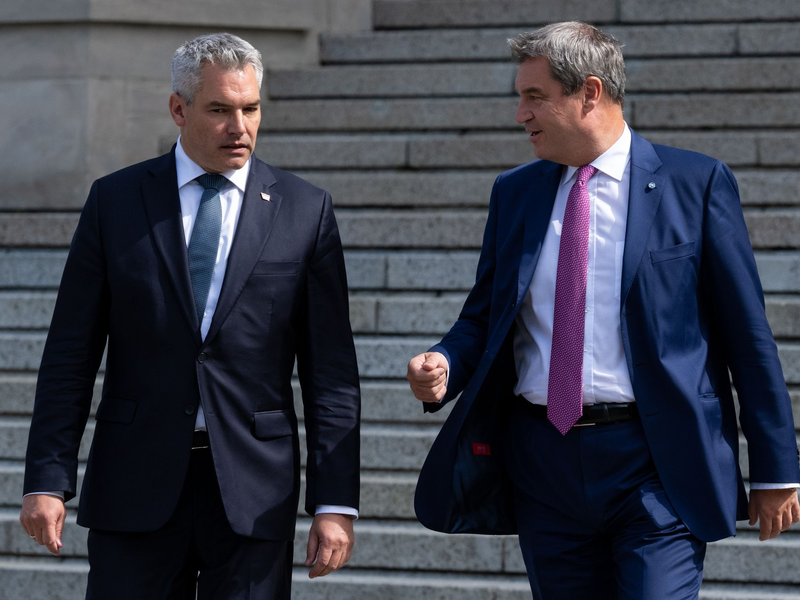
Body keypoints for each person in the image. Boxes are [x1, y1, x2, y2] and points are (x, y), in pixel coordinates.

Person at [407, 21, 800, 600]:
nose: (521, 114)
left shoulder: (696, 183)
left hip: (655, 463)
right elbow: (483, 316)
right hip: (543, 464)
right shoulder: (515, 192)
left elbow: (748, 336)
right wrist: (442, 363)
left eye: (534, 96)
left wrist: (776, 467)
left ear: (589, 92)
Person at [19, 32, 360, 599]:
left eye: (251, 109)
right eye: (220, 109)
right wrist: (47, 480)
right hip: (134, 483)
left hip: (254, 490)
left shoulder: (306, 209)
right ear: (179, 109)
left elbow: (331, 373)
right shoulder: (115, 201)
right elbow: (69, 355)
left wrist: (335, 502)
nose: (240, 127)